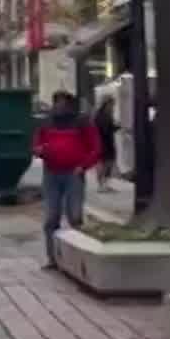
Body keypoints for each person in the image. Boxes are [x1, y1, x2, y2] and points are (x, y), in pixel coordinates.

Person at [33, 90, 103, 269]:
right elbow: (36, 143)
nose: (60, 106)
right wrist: (40, 150)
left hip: (73, 173)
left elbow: (95, 148)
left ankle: (77, 261)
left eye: (64, 102)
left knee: (75, 217)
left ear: (70, 104)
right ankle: (52, 258)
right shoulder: (47, 122)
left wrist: (83, 166)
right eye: (57, 102)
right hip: (51, 173)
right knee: (51, 218)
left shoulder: (82, 122)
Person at [92, 90, 121, 189]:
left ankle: (104, 184)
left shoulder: (103, 115)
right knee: (104, 163)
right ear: (106, 104)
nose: (112, 106)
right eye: (111, 104)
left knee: (107, 163)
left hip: (105, 143)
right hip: (103, 143)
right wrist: (115, 127)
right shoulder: (102, 116)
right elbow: (105, 129)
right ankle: (102, 184)